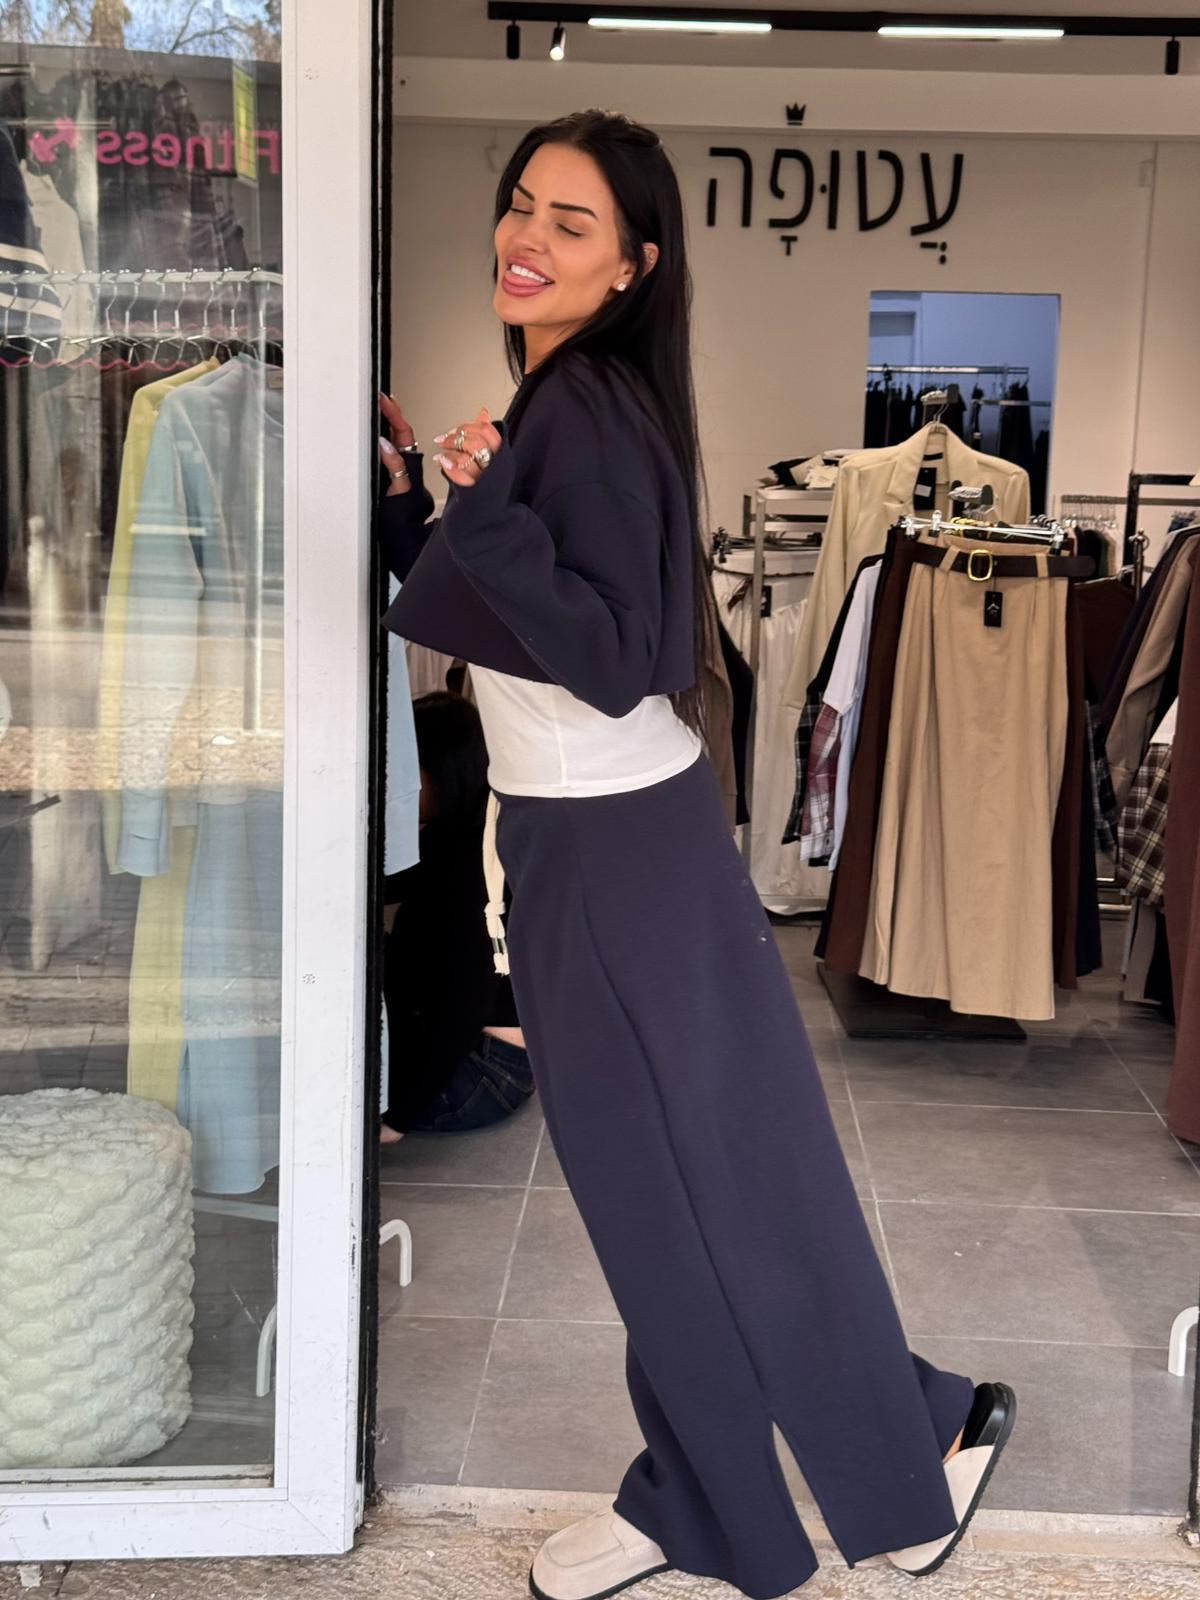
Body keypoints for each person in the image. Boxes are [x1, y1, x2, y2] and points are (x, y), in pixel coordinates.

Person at [377, 110, 1015, 1600]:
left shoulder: (588, 407)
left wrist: (480, 511)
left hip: (619, 845)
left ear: (634, 264)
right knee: (663, 1196)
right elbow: (506, 614)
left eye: (572, 223)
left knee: (721, 1183)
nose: (526, 238)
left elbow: (619, 656)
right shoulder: (561, 398)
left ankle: (910, 1447)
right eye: (521, 205)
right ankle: (708, 1497)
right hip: (586, 838)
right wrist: (433, 510)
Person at [381, 690, 533, 1140]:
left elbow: (466, 1004)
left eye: (406, 772)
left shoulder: (470, 868)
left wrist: (398, 1117)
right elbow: (391, 883)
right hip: (499, 1060)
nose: (394, 787)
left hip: (483, 1073)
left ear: (442, 772)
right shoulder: (477, 828)